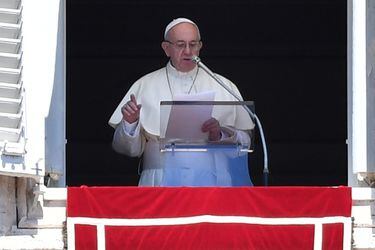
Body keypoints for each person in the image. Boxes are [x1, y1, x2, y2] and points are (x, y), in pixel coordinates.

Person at [108, 18, 255, 186]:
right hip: (160, 182)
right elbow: (126, 150)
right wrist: (130, 123)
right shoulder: (145, 85)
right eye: (180, 45)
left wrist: (220, 134)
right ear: (166, 48)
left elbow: (246, 144)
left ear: (200, 46)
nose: (188, 51)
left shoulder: (224, 86)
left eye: (193, 44)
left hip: (214, 183)